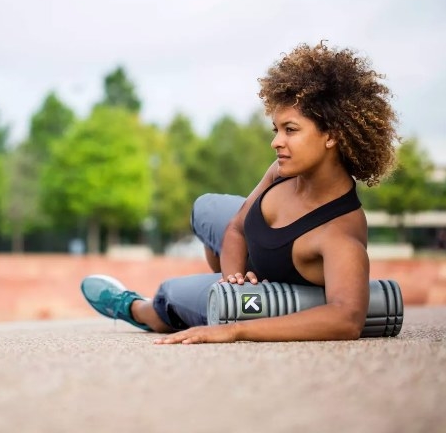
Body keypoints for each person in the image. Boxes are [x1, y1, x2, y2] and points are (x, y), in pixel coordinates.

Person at [80, 41, 399, 344]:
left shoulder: (340, 234)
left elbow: (346, 320)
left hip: (272, 282)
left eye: (291, 130)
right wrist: (232, 281)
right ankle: (222, 277)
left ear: (332, 136)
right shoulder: (281, 173)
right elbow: (235, 227)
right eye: (277, 130)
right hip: (252, 256)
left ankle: (138, 309)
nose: (276, 142)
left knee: (171, 293)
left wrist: (235, 328)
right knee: (205, 209)